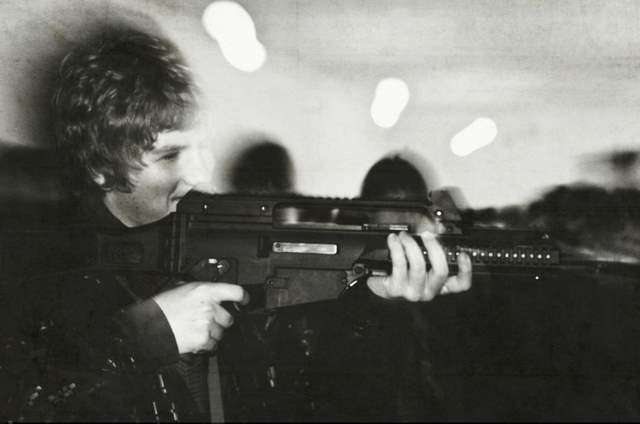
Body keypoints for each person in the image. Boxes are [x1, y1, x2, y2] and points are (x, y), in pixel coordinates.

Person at [6, 29, 472, 422]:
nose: (199, 172)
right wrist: (142, 338)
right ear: (99, 169)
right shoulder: (36, 269)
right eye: (170, 155)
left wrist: (375, 300)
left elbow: (307, 388)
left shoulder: (216, 236)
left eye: (202, 147)